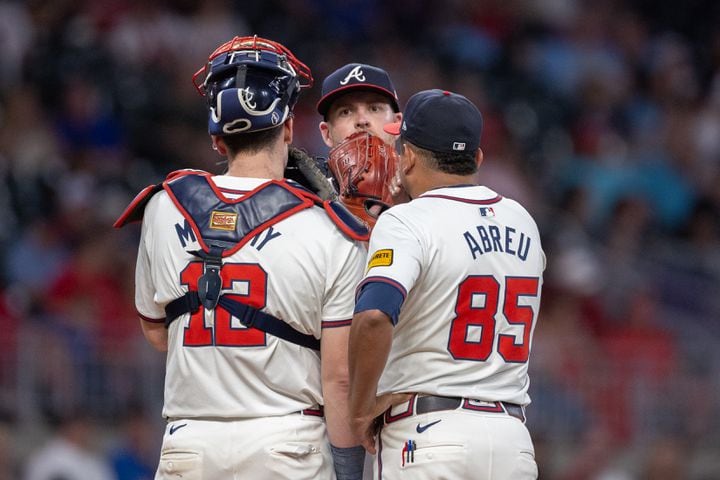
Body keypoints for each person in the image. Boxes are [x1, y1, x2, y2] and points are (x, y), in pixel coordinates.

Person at [116, 36, 368, 479]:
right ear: (288, 127)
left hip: (189, 443)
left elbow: (157, 332)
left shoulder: (162, 206)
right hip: (286, 445)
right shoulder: (331, 228)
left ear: (217, 138)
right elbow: (339, 378)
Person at [348, 89, 546, 479]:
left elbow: (373, 315)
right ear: (477, 158)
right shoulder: (523, 219)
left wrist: (358, 410)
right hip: (512, 440)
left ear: (409, 157)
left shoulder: (407, 220)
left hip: (429, 435)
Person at [317, 63, 406, 226]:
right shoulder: (311, 205)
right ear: (327, 133)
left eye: (374, 108)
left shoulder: (426, 193)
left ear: (397, 123)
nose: (362, 121)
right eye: (345, 112)